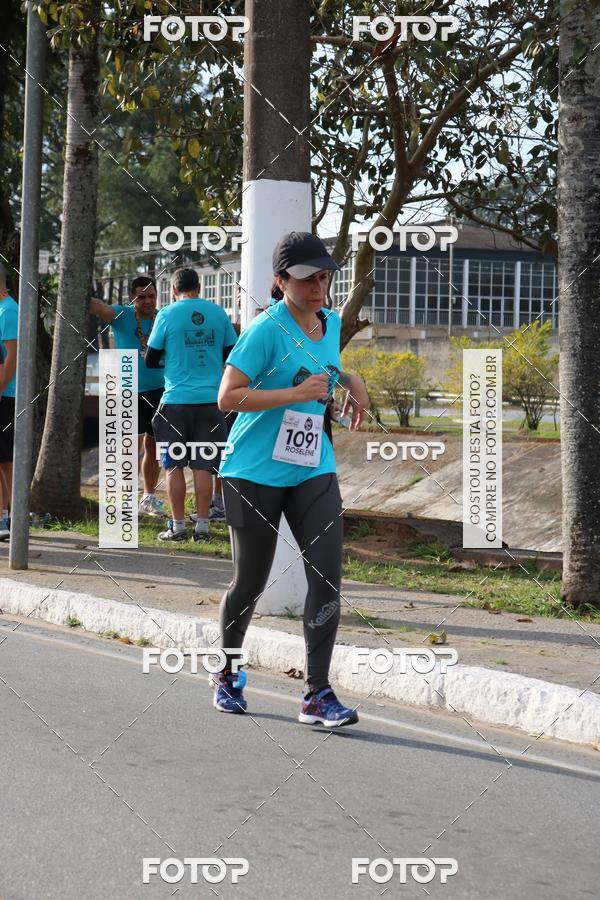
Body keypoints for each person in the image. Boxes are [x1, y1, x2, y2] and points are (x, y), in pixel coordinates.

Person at [215, 231, 369, 726]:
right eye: (305, 280)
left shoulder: (330, 320)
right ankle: (228, 672)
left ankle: (317, 694)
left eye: (323, 277)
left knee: (326, 577)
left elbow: (323, 366)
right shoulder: (265, 330)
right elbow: (227, 396)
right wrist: (295, 392)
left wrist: (351, 380)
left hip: (312, 466)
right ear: (281, 281)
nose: (317, 287)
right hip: (253, 470)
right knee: (249, 583)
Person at [145, 266, 238, 542]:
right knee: (204, 466)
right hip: (211, 402)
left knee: (173, 466)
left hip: (175, 402)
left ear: (173, 290)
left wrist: (173, 359)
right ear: (199, 287)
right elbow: (231, 354)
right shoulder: (218, 313)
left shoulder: (166, 314)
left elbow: (151, 359)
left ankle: (178, 526)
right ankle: (203, 527)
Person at [89, 276, 166, 517]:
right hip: (128, 390)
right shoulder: (121, 315)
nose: (147, 301)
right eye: (141, 296)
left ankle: (149, 498)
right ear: (132, 298)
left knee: (153, 445)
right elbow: (96, 306)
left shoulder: (163, 317)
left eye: (151, 295)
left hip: (161, 391)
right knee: (127, 447)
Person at [0, 262, 18, 540]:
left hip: (6, 394)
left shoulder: (8, 310)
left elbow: (11, 357)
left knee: (3, 459)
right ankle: (6, 515)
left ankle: (5, 516)